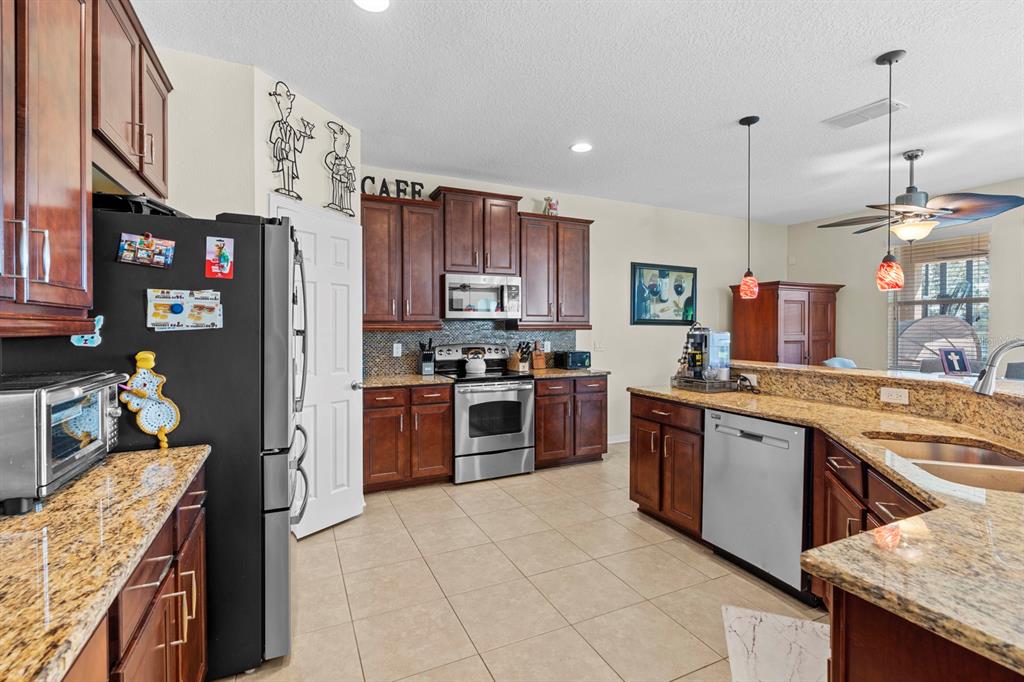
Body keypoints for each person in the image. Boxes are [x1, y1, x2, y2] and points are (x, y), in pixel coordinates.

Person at [268, 81, 314, 199]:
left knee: (289, 170)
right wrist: (283, 145)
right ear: (278, 103)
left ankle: (290, 189)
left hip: (291, 156)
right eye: (287, 107)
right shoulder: (277, 125)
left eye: (289, 108)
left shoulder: (292, 130)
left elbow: (298, 147)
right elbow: (273, 139)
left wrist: (305, 134)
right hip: (284, 154)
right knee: (285, 169)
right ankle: (286, 188)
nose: (288, 109)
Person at [324, 121, 356, 216]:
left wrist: (351, 176)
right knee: (337, 191)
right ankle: (336, 203)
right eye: (344, 145)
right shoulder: (332, 156)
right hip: (337, 178)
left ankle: (346, 207)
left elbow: (350, 169)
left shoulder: (346, 160)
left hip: (346, 180)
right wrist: (336, 169)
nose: (345, 148)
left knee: (346, 193)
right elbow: (328, 162)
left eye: (347, 146)